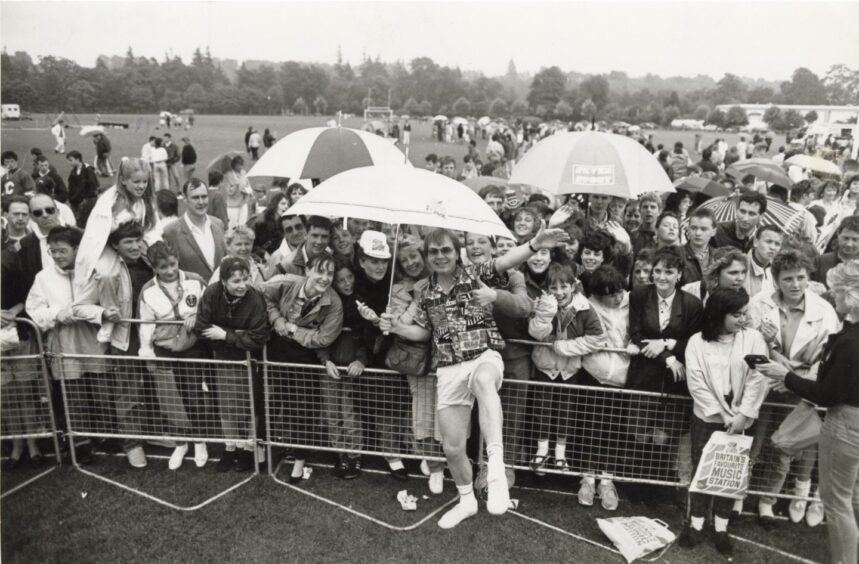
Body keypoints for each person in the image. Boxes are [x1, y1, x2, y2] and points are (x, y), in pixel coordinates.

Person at [380, 223, 569, 529]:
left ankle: (495, 465)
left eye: (446, 250)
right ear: (427, 256)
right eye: (434, 251)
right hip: (448, 369)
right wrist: (394, 326)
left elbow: (505, 261)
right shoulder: (424, 291)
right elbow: (422, 331)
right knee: (452, 448)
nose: (440, 256)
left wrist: (535, 243)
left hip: (484, 356)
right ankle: (466, 500)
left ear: (458, 254)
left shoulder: (473, 273)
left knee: (483, 382)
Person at [757, 261, 859, 564]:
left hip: (845, 424)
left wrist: (784, 375)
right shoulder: (848, 335)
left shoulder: (851, 342)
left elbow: (826, 394)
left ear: (851, 297)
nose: (832, 296)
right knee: (851, 498)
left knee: (837, 502)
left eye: (837, 291)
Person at [747, 250, 839, 529]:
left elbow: (828, 356)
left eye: (801, 277)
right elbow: (748, 341)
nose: (796, 284)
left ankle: (767, 501)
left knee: (783, 448)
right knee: (752, 443)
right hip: (763, 383)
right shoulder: (759, 303)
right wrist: (772, 353)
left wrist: (791, 377)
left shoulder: (824, 311)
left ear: (809, 278)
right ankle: (738, 496)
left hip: (800, 389)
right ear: (776, 280)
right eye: (788, 279)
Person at [680, 288, 769, 558]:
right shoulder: (697, 341)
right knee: (701, 469)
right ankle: (695, 524)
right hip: (707, 418)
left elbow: (759, 378)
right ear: (719, 314)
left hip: (741, 418)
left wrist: (742, 414)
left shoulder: (754, 339)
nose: (744, 319)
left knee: (729, 474)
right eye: (737, 315)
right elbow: (696, 384)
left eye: (745, 313)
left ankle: (721, 528)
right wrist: (723, 415)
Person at [528, 263, 612, 506]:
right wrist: (545, 312)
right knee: (542, 409)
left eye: (563, 286)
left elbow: (598, 338)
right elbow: (535, 332)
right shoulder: (544, 304)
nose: (558, 291)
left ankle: (561, 454)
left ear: (573, 285)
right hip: (545, 366)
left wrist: (564, 347)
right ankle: (542, 451)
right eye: (553, 287)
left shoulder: (585, 307)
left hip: (569, 369)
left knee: (566, 411)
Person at [73, 221, 154, 467]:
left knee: (156, 386)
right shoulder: (107, 271)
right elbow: (78, 307)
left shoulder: (150, 262)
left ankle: (156, 433)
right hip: (124, 340)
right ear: (115, 246)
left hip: (153, 336)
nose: (134, 246)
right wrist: (103, 315)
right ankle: (133, 443)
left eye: (137, 240)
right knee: (128, 391)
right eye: (127, 242)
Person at [263, 252, 344, 483]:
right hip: (277, 351)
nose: (325, 277)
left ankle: (300, 459)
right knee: (277, 401)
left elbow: (324, 339)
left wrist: (291, 329)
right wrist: (276, 317)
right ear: (307, 270)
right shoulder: (287, 281)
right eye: (320, 270)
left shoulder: (334, 303)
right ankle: (278, 447)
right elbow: (261, 293)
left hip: (305, 355)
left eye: (330, 273)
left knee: (304, 408)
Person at [137, 241, 210, 471]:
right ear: (153, 267)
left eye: (172, 264)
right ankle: (181, 442)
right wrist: (147, 355)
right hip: (164, 349)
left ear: (178, 259)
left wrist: (197, 317)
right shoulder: (148, 290)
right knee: (170, 397)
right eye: (162, 267)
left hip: (191, 346)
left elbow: (209, 307)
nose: (168, 270)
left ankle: (199, 440)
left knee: (193, 392)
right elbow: (145, 326)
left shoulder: (195, 280)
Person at [196, 257, 270, 472]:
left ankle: (248, 448)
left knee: (251, 406)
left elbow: (259, 336)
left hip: (248, 361)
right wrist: (235, 337)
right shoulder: (211, 292)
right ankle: (230, 448)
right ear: (223, 281)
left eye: (245, 279)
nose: (242, 285)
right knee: (226, 407)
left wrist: (225, 335)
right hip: (220, 359)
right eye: (236, 281)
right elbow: (201, 327)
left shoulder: (255, 298)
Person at [320, 258, 366, 479]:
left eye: (350, 277)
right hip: (330, 369)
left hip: (351, 371)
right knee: (332, 414)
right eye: (341, 280)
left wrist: (360, 360)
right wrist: (325, 361)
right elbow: (319, 338)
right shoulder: (327, 303)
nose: (347, 283)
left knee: (350, 414)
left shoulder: (361, 303)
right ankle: (340, 454)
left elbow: (368, 340)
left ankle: (354, 456)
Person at [162, 178, 227, 281]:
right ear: (185, 199)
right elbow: (168, 270)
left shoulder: (218, 224)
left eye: (204, 197)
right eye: (195, 197)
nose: (201, 202)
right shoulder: (171, 232)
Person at [17, 194, 65, 294]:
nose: (45, 215)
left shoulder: (79, 236)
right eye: (38, 213)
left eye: (49, 210)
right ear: (32, 217)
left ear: (57, 211)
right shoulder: (26, 244)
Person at [682, 247, 747, 303]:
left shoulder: (744, 297)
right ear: (716, 273)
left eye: (743, 272)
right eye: (733, 273)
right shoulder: (688, 292)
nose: (740, 278)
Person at [813, 216, 859, 287]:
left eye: (855, 240)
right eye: (846, 238)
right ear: (838, 235)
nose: (849, 244)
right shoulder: (820, 261)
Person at [678, 207, 716, 285]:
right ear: (688, 229)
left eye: (703, 229)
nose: (698, 233)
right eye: (694, 228)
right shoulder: (677, 254)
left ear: (713, 231)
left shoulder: (718, 257)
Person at [743, 225, 783, 298]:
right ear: (755, 242)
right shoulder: (742, 267)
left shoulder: (778, 269)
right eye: (768, 242)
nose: (772, 247)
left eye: (777, 244)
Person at [66, 151, 100, 216]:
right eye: (68, 160)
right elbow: (71, 186)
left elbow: (93, 186)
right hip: (75, 200)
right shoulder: (73, 171)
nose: (69, 162)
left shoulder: (88, 170)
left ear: (78, 159)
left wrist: (86, 200)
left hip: (85, 201)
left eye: (71, 160)